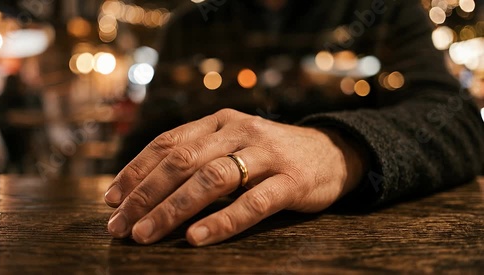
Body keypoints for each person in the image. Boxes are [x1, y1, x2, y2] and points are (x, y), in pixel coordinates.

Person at [105, 0, 484, 246]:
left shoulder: (387, 11)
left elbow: (459, 122)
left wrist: (338, 149)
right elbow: (145, 144)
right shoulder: (189, 25)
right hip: (193, 244)